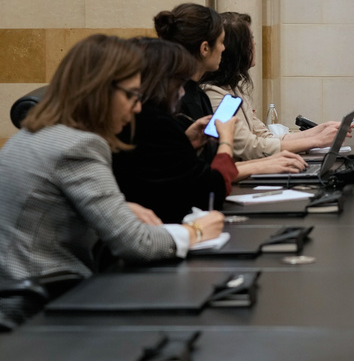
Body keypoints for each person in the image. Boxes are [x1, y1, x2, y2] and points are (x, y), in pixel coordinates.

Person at [0, 35, 224, 324]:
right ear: (101, 90)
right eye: (131, 95)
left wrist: (121, 208)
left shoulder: (31, 135)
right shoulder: (78, 146)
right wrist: (196, 231)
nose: (138, 108)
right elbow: (138, 244)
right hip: (41, 309)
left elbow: (47, 210)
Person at [112, 38, 240, 223]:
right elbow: (211, 192)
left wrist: (185, 142)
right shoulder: (155, 123)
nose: (182, 92)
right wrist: (226, 141)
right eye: (179, 82)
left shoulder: (147, 122)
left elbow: (164, 167)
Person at [201, 12, 344, 160]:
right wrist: (316, 141)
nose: (254, 43)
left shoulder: (233, 88)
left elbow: (265, 137)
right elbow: (249, 148)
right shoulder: (213, 93)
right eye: (251, 38)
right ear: (237, 48)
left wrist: (319, 131)